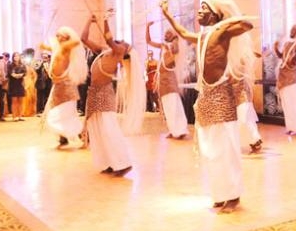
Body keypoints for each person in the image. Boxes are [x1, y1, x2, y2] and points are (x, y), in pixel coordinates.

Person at [161, 0, 254, 213]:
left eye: (204, 8)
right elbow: (182, 33)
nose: (199, 12)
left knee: (226, 149)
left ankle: (233, 196)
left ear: (215, 14)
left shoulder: (221, 32)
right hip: (206, 97)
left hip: (221, 94)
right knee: (211, 151)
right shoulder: (203, 37)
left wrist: (226, 20)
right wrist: (167, 14)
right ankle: (221, 194)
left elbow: (247, 25)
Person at [80, 15, 145, 176]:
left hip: (104, 93)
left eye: (125, 42)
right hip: (93, 93)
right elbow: (84, 38)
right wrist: (90, 20)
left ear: (125, 51)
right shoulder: (103, 51)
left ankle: (123, 163)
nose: (122, 41)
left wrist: (105, 20)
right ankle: (108, 162)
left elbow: (109, 40)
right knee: (98, 130)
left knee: (109, 129)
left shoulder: (118, 52)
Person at [41, 26, 88, 147]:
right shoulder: (58, 48)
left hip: (66, 87)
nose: (56, 37)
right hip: (58, 87)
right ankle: (64, 138)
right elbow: (50, 47)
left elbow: (77, 41)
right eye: (56, 35)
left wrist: (66, 39)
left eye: (59, 35)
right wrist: (43, 46)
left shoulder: (65, 48)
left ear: (65, 37)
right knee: (59, 114)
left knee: (65, 114)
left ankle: (83, 134)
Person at [146, 20, 189, 139]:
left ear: (174, 36)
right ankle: (173, 130)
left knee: (174, 107)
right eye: (165, 33)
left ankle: (180, 130)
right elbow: (148, 41)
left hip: (170, 83)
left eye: (168, 33)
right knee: (167, 109)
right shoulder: (163, 47)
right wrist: (147, 27)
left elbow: (175, 49)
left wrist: (175, 36)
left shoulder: (174, 48)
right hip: (163, 84)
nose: (165, 35)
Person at [7, 52, 27, 121]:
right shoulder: (10, 65)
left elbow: (25, 72)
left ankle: (20, 115)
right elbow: (10, 73)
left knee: (21, 100)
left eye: (18, 56)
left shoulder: (22, 65)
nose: (16, 57)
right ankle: (14, 116)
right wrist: (15, 75)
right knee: (14, 100)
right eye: (15, 56)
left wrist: (20, 75)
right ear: (13, 57)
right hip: (13, 84)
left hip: (20, 83)